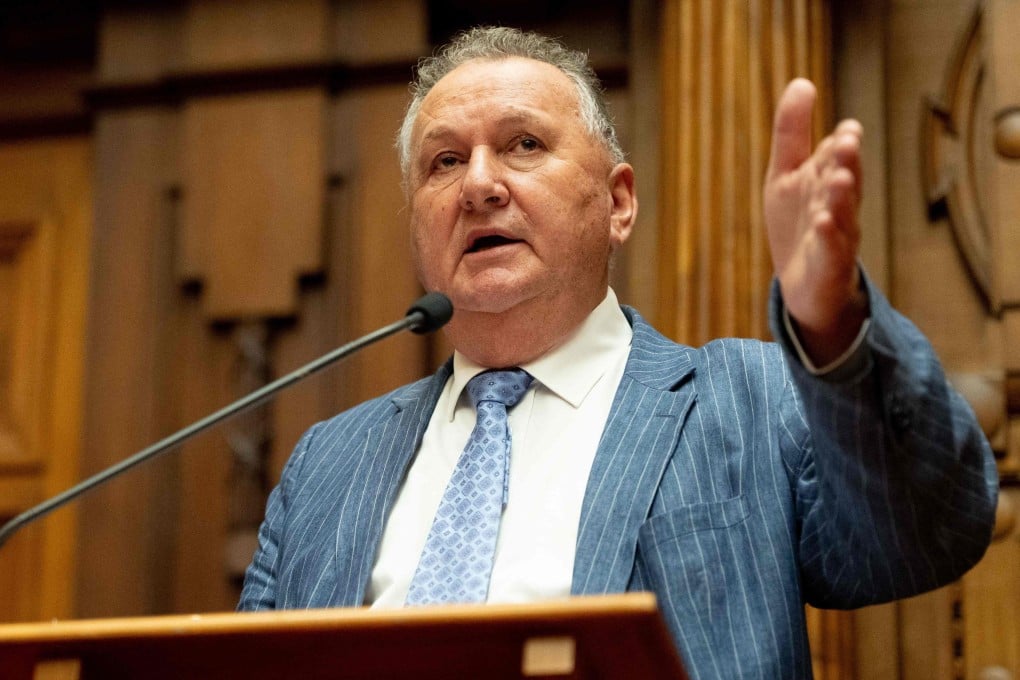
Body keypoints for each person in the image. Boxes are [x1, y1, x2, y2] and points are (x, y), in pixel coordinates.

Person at [239, 26, 998, 678]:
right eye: (443, 162)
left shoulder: (747, 400)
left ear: (619, 203)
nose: (477, 185)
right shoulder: (326, 466)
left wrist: (833, 324)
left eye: (523, 145)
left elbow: (927, 531)